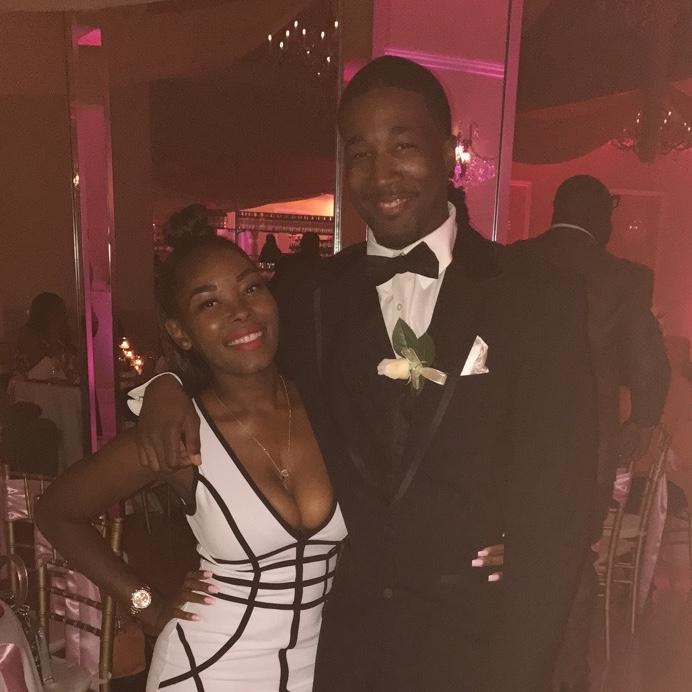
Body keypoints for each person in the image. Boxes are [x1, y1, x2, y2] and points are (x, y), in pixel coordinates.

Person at [133, 56, 598, 692]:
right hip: (349, 651)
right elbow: (232, 353)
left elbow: (560, 517)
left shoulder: (536, 299)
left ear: (448, 150)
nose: (381, 174)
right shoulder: (311, 297)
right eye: (360, 153)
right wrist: (164, 387)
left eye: (403, 146)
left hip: (480, 649)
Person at [35, 235, 347, 691]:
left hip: (317, 670)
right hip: (207, 670)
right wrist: (146, 606)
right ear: (181, 332)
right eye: (209, 304)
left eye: (251, 288)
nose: (240, 311)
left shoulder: (329, 408)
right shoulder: (181, 432)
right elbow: (56, 512)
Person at [510, 175, 670, 691]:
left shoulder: (510, 261)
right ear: (601, 218)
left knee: (505, 553)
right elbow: (649, 365)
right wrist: (641, 421)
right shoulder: (623, 278)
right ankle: (565, 677)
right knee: (576, 560)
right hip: (586, 451)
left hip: (508, 443)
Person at [15, 292, 77, 382]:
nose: (64, 317)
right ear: (46, 315)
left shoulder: (62, 341)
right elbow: (40, 370)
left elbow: (70, 371)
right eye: (59, 313)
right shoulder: (28, 337)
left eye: (63, 313)